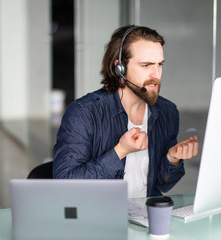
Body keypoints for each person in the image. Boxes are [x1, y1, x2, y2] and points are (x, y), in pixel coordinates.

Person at [53, 25, 199, 198]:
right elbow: (66, 185)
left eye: (160, 64)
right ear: (120, 68)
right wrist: (121, 150)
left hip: (146, 217)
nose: (156, 74)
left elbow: (161, 184)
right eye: (146, 65)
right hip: (100, 217)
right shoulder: (84, 113)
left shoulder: (167, 112)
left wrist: (172, 158)